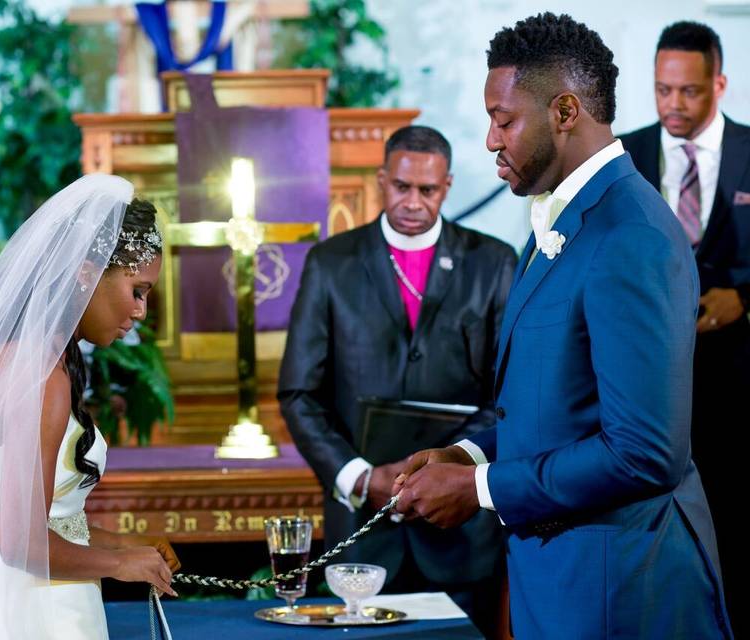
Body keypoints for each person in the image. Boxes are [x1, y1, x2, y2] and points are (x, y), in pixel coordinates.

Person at [392, 13, 732, 639]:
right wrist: (465, 454)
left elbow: (645, 454)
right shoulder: (562, 218)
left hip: (620, 588)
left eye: (504, 118)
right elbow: (560, 407)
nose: (492, 140)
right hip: (565, 576)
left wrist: (481, 487)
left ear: (566, 111)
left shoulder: (629, 233)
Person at [0, 174, 180, 640]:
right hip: (32, 609)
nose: (140, 311)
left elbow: (27, 522)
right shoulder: (44, 379)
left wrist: (131, 548)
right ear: (87, 273)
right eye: (136, 290)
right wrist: (121, 564)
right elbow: (20, 541)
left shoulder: (10, 359)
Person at [278, 125, 517, 636]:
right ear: (381, 180)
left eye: (427, 190)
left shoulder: (493, 263)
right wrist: (361, 477)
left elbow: (507, 394)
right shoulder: (331, 263)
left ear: (447, 186)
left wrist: (446, 474)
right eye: (401, 187)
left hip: (461, 528)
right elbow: (299, 393)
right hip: (362, 537)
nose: (412, 201)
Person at [619, 23, 749, 633]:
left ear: (719, 84)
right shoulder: (621, 159)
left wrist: (745, 300)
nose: (673, 104)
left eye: (690, 91)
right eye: (662, 89)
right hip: (648, 395)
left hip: (738, 389)